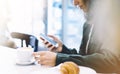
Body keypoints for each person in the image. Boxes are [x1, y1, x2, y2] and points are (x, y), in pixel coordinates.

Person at [33, 0, 120, 73]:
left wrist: (59, 59)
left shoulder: (114, 22)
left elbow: (110, 61)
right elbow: (84, 57)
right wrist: (62, 50)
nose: (74, 3)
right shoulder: (88, 25)